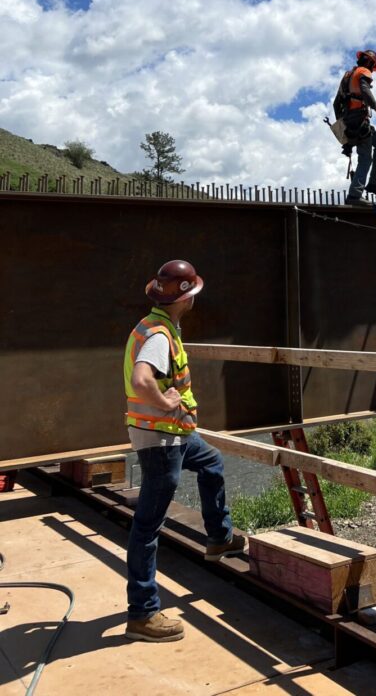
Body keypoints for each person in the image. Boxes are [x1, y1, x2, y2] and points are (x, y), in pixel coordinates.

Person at [123, 259, 244, 642]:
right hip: (160, 438)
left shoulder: (158, 327)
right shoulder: (159, 336)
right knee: (147, 526)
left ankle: (218, 537)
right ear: (185, 297)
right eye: (192, 293)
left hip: (173, 434)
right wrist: (164, 402)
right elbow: (143, 380)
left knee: (211, 462)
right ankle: (142, 614)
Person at [337, 49, 376, 206]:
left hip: (349, 121)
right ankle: (354, 195)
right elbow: (365, 90)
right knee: (365, 157)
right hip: (359, 121)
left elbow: (336, 104)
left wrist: (343, 136)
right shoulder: (363, 71)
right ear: (371, 63)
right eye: (373, 66)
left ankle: (374, 183)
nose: (372, 70)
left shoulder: (347, 77)